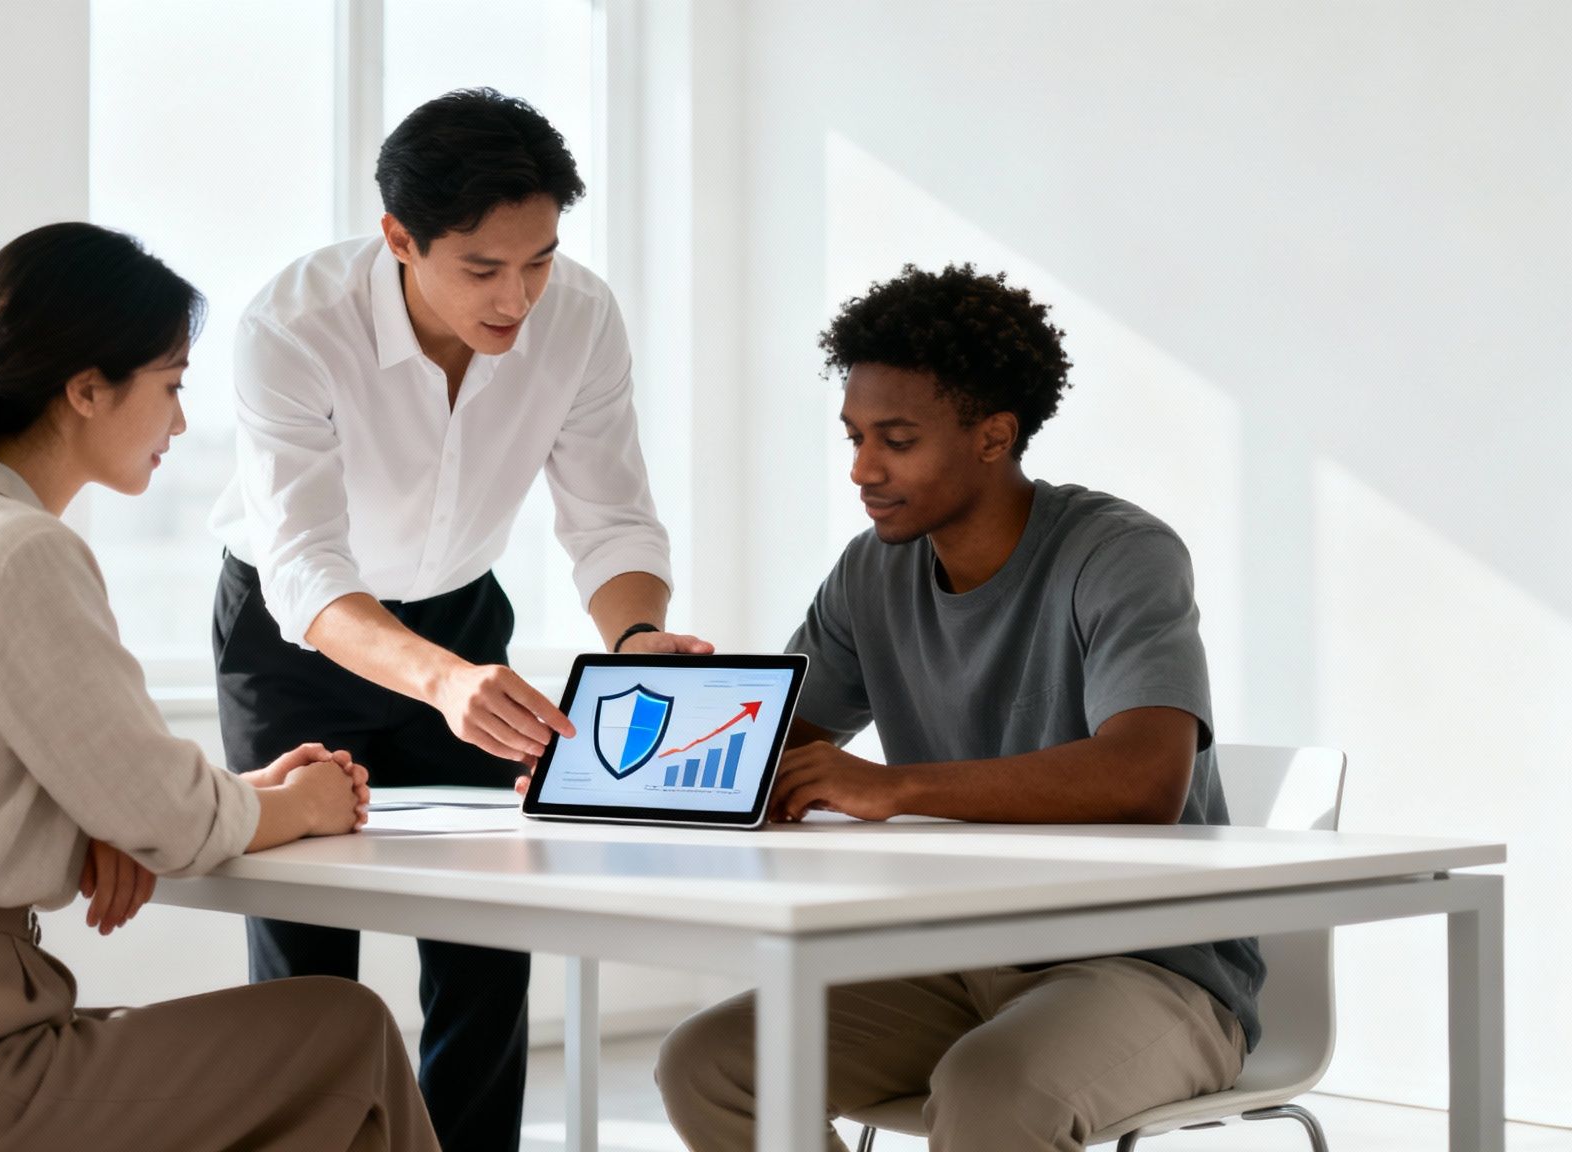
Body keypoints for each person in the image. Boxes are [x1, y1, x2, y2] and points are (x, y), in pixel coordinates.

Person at [0, 222, 439, 1152]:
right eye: (171, 385)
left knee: (293, 1070)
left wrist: (150, 810)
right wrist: (304, 802)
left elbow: (120, 790)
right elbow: (168, 821)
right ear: (87, 389)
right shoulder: (22, 552)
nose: (181, 422)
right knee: (349, 1031)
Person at [655, 264, 1265, 1152]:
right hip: (958, 962)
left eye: (896, 439)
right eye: (855, 437)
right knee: (712, 1064)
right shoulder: (872, 570)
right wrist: (608, 763)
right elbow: (769, 753)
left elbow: (1145, 779)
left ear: (993, 435)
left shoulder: (1118, 553)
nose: (863, 469)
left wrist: (891, 786)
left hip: (1150, 966)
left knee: (995, 1091)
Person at [209, 87, 707, 1151]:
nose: (517, 297)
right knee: (305, 942)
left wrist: (633, 641)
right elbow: (305, 571)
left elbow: (609, 515)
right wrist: (439, 680)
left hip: (461, 615)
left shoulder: (578, 314)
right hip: (295, 635)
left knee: (488, 935)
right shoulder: (290, 326)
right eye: (482, 268)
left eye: (538, 260)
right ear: (398, 237)